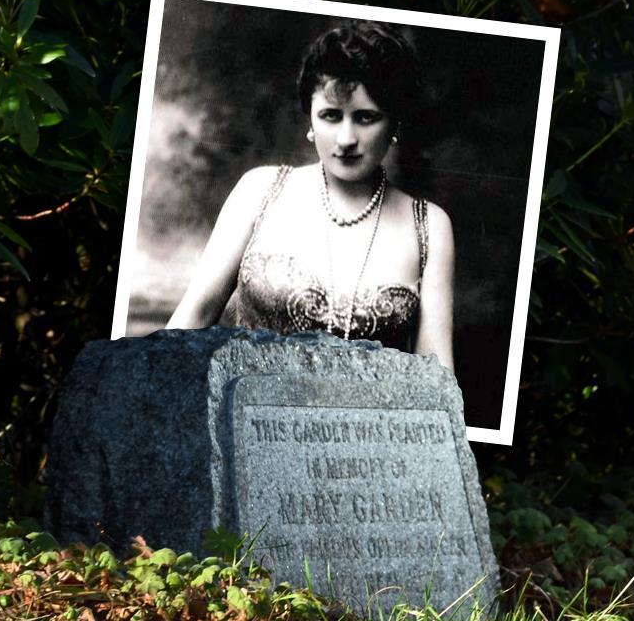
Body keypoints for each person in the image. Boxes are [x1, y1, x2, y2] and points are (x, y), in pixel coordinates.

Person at [167, 20, 455, 371]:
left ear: (394, 124)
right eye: (331, 116)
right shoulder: (259, 191)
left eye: (366, 118)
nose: (346, 139)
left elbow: (437, 380)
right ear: (310, 119)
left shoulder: (429, 225)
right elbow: (191, 319)